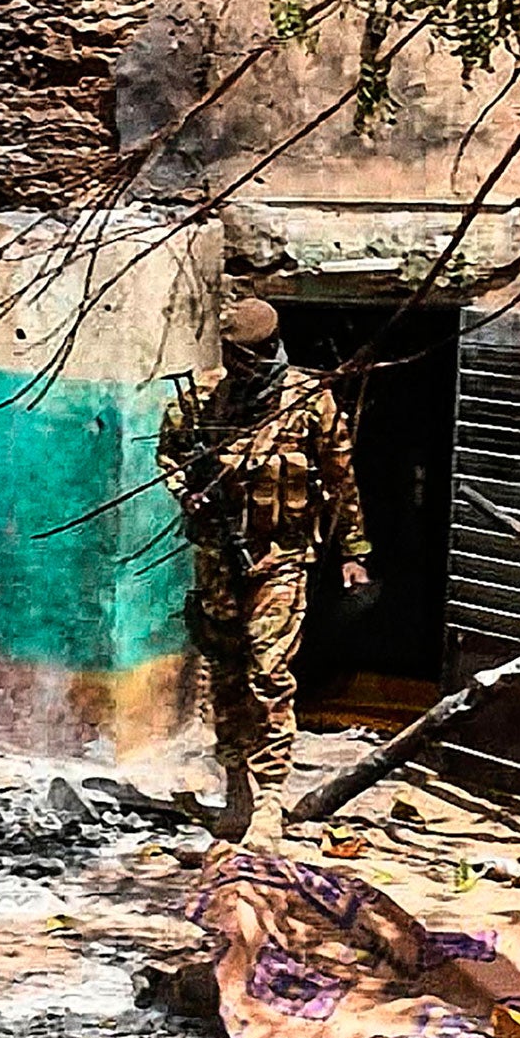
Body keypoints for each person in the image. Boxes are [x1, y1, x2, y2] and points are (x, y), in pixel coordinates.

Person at [158, 300, 372, 847]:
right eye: (241, 358)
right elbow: (169, 454)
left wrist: (354, 550)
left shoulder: (307, 399)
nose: (253, 367)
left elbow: (340, 475)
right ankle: (237, 786)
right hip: (217, 559)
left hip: (282, 557)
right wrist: (191, 496)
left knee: (269, 672)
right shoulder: (201, 398)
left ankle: (271, 797)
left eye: (259, 356)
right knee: (226, 671)